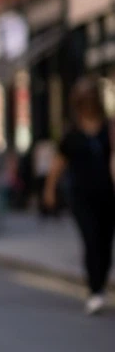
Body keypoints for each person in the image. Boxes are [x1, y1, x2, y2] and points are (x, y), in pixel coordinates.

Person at [44, 77, 114, 315]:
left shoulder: (109, 129)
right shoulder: (72, 134)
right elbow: (58, 165)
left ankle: (100, 284)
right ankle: (95, 290)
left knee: (105, 243)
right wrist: (49, 190)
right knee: (91, 239)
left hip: (108, 196)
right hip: (81, 197)